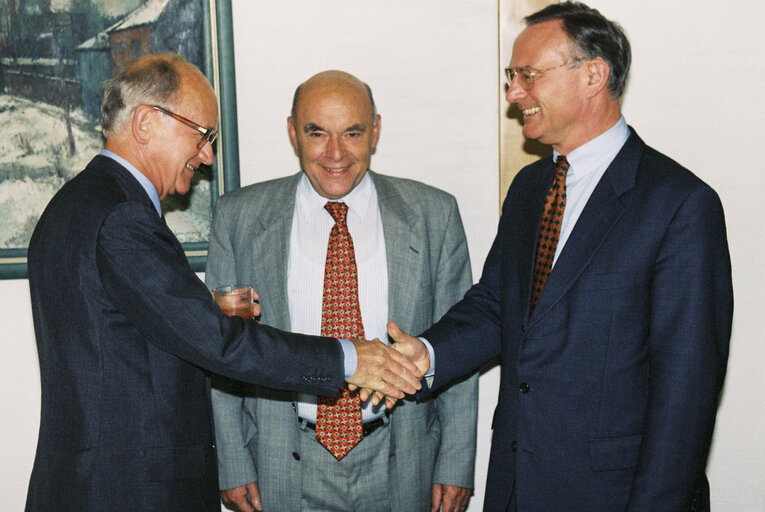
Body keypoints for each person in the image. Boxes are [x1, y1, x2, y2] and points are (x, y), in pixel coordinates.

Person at [25, 53, 421, 512]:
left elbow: (122, 325)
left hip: (96, 481)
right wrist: (347, 356)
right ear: (146, 123)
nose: (208, 156)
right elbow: (218, 345)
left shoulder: (79, 202)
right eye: (202, 134)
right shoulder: (122, 217)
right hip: (128, 489)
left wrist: (203, 309)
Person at [389, 3, 733, 511]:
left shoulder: (679, 204)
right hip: (515, 486)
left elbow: (686, 396)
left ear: (594, 74)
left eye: (528, 76)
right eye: (511, 77)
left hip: (613, 495)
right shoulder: (531, 187)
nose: (513, 94)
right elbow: (498, 305)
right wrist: (430, 353)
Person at [207, 70, 478, 512]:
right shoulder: (238, 217)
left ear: (375, 131)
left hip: (402, 460)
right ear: (293, 132)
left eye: (352, 132)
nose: (336, 153)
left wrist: (455, 463)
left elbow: (459, 343)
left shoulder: (434, 215)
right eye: (317, 133)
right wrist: (233, 462)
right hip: (281, 462)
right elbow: (222, 349)